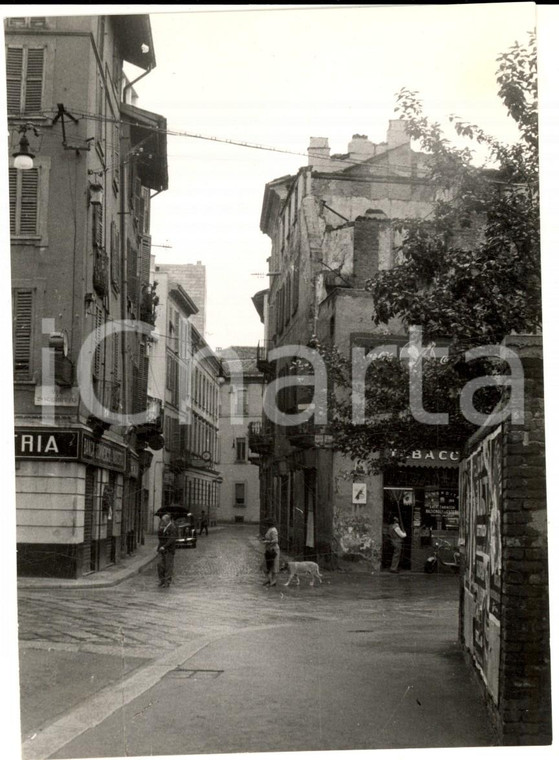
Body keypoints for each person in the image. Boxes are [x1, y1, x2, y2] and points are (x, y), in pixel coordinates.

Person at [157, 513, 178, 587]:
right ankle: (162, 580)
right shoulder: (163, 527)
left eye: (163, 521)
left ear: (167, 520)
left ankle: (167, 582)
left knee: (168, 566)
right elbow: (160, 537)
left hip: (169, 550)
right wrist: (159, 529)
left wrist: (165, 546)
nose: (162, 522)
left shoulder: (172, 528)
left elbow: (171, 539)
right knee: (160, 565)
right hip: (162, 549)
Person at [262, 518, 280, 587]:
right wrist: (265, 539)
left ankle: (274, 581)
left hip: (274, 549)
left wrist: (267, 542)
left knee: (274, 565)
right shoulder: (270, 529)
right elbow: (269, 537)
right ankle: (268, 579)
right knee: (266, 565)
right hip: (268, 549)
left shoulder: (273, 530)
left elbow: (275, 540)